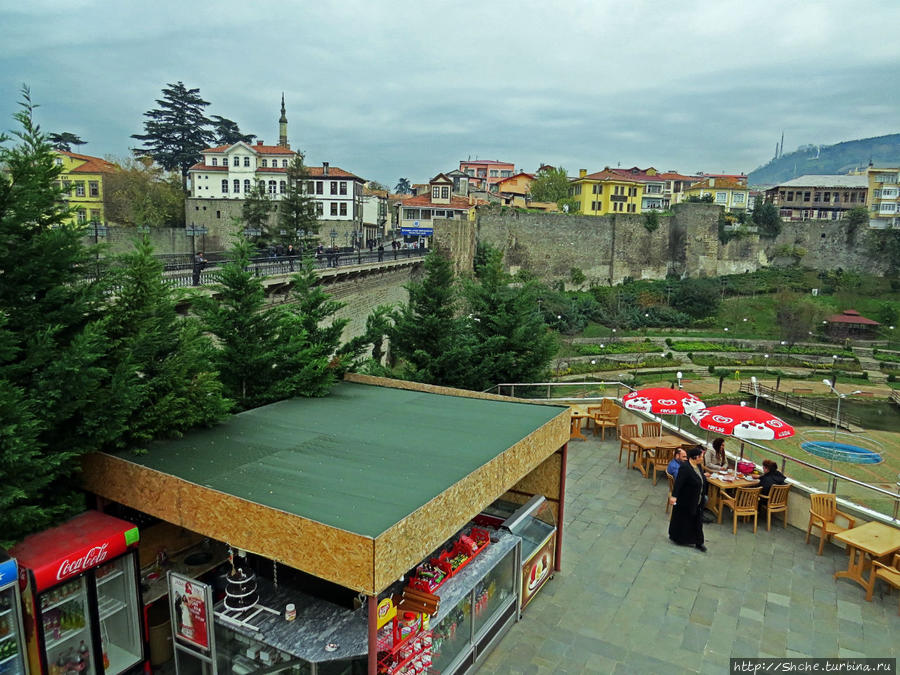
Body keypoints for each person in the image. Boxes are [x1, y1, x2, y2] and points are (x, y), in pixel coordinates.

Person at [668, 446, 709, 552]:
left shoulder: (698, 466)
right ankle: (678, 537)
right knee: (683, 520)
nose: (702, 458)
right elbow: (679, 483)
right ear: (695, 457)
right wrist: (674, 496)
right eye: (701, 456)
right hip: (686, 499)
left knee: (697, 521)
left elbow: (700, 478)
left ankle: (699, 542)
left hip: (698, 499)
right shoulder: (685, 467)